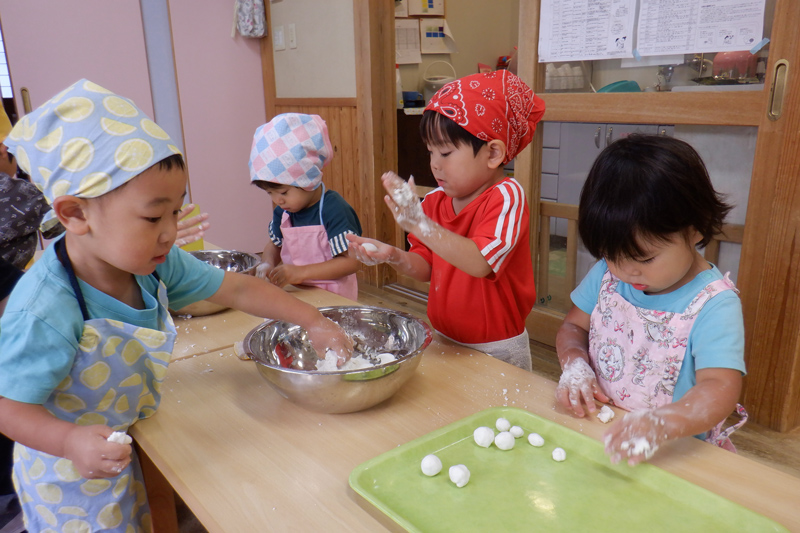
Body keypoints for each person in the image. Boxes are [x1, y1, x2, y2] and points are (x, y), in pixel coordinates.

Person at [0, 79, 352, 532]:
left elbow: (238, 289)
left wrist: (313, 319)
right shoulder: (46, 306)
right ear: (75, 215)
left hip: (133, 440)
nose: (169, 232)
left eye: (175, 212)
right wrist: (69, 441)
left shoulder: (153, 262)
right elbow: (9, 405)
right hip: (70, 479)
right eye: (153, 216)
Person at [554, 134, 747, 465]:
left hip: (674, 452)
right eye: (612, 255)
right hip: (602, 431)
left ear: (696, 229)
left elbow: (719, 386)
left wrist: (664, 422)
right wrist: (574, 362)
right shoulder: (606, 275)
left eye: (644, 259)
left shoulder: (714, 304)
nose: (627, 272)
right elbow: (573, 325)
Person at [347, 70, 545, 370]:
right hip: (444, 337)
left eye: (445, 152)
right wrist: (394, 256)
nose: (434, 164)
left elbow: (480, 262)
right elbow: (426, 267)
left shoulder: (506, 196)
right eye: (430, 152)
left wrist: (418, 225)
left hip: (497, 348)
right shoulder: (435, 202)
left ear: (493, 153)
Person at [249, 113, 362, 300]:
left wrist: (300, 272)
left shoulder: (334, 210)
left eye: (284, 192)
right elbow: (275, 245)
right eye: (270, 193)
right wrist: (267, 263)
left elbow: (351, 262)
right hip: (297, 294)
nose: (278, 200)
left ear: (308, 179)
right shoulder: (283, 213)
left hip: (334, 298)